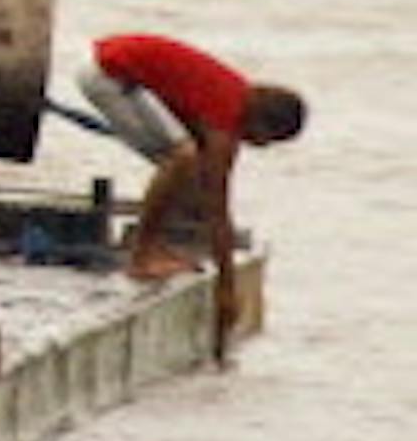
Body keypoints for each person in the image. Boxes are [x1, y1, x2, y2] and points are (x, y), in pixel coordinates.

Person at [77, 32, 306, 357]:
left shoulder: (230, 99)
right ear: (261, 124)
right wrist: (227, 288)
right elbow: (219, 208)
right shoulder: (226, 115)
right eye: (266, 140)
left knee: (187, 165)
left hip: (116, 72)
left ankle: (158, 243)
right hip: (108, 76)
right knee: (181, 158)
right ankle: (142, 256)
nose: (260, 147)